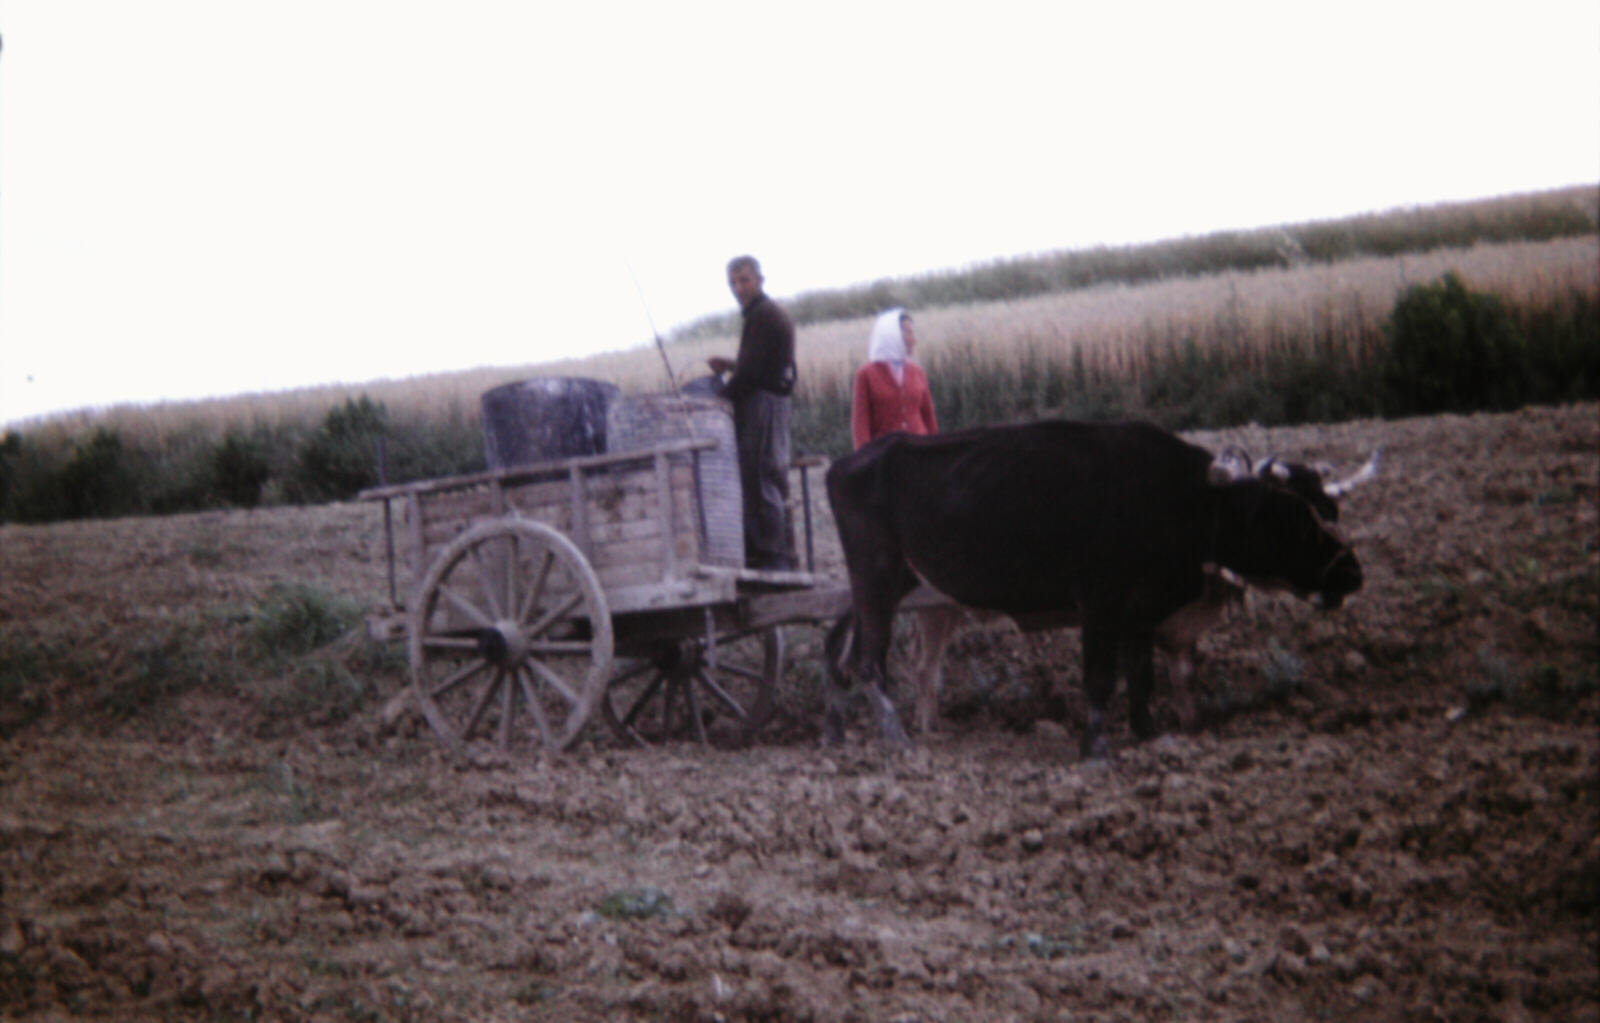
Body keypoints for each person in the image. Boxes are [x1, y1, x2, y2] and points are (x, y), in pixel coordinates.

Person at [708, 255, 797, 571]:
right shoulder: (766, 314)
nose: (738, 288)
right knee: (770, 477)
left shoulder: (764, 315)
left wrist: (715, 403)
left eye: (744, 280)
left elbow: (752, 376)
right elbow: (768, 366)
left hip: (764, 405)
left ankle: (771, 557)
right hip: (774, 402)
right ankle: (780, 555)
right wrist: (732, 365)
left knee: (759, 478)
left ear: (759, 279)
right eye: (733, 282)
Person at [851, 308, 937, 449]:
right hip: (884, 457)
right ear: (893, 336)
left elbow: (929, 419)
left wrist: (936, 451)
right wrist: (864, 461)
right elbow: (860, 426)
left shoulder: (918, 372)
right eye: (908, 333)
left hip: (920, 452)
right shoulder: (865, 375)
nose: (914, 340)